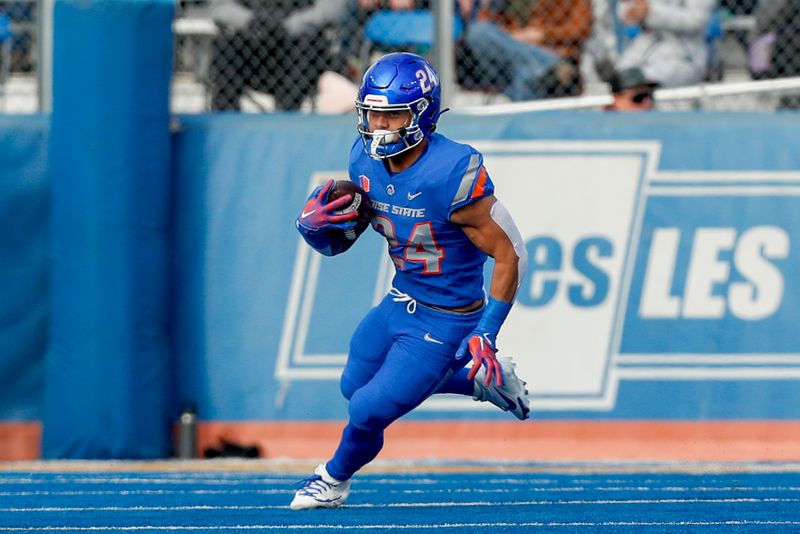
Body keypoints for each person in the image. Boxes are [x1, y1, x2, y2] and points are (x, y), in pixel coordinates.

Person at [292, 52, 530, 510]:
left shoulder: (452, 172)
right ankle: (480, 384)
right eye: (373, 112)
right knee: (354, 386)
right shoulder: (363, 157)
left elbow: (509, 252)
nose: (379, 125)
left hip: (447, 319)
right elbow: (354, 230)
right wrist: (321, 226)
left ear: (421, 113)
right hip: (401, 299)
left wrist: (487, 332)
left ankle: (333, 479)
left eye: (392, 113)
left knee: (368, 411)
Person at [207, 0, 336, 111]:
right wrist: (254, 20)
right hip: (253, 45)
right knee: (226, 47)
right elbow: (218, 8)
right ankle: (227, 121)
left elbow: (332, 10)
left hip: (297, 45)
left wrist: (288, 25)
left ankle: (286, 117)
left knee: (309, 47)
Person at [459, 0, 592, 100]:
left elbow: (580, 28)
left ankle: (540, 69)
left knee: (523, 75)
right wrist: (510, 37)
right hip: (512, 49)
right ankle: (547, 66)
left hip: (548, 49)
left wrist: (541, 35)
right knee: (478, 32)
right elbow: (487, 19)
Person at [615, 0, 716, 88]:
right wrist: (632, 10)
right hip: (644, 48)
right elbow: (624, 11)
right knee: (619, 78)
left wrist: (651, 12)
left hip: (685, 57)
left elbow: (696, 19)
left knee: (640, 81)